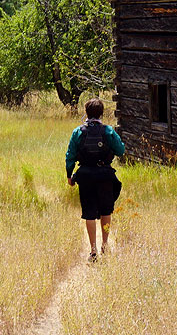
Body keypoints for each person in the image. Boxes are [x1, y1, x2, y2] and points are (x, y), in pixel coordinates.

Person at [66, 98, 124, 263]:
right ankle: (105, 245)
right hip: (105, 175)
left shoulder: (78, 132)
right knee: (106, 211)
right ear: (101, 113)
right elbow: (120, 150)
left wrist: (70, 175)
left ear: (86, 112)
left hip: (85, 176)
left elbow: (70, 155)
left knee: (89, 213)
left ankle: (93, 250)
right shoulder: (108, 131)